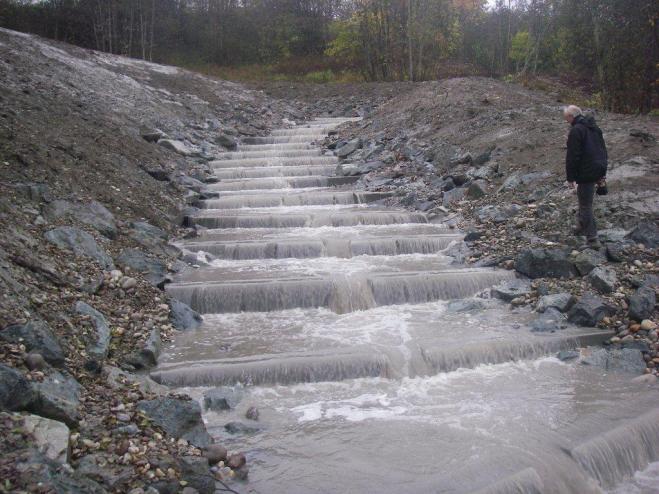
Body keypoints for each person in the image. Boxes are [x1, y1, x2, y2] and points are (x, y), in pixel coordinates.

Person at [563, 105, 608, 249]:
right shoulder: (595, 128)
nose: (566, 121)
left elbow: (573, 156)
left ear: (571, 117)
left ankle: (592, 239)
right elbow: (603, 150)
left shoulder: (576, 130)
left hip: (586, 171)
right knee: (585, 200)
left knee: (585, 205)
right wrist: (602, 173)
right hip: (598, 167)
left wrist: (570, 177)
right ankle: (580, 227)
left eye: (567, 118)